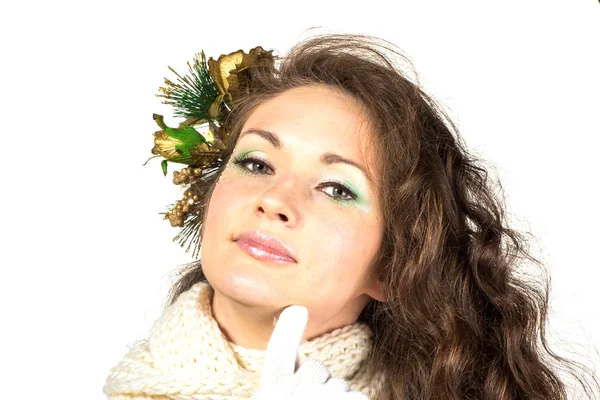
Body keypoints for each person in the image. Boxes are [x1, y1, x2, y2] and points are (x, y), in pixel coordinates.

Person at [103, 34, 599, 400]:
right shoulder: (127, 383)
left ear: (391, 266)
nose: (275, 198)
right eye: (256, 163)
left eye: (337, 188)